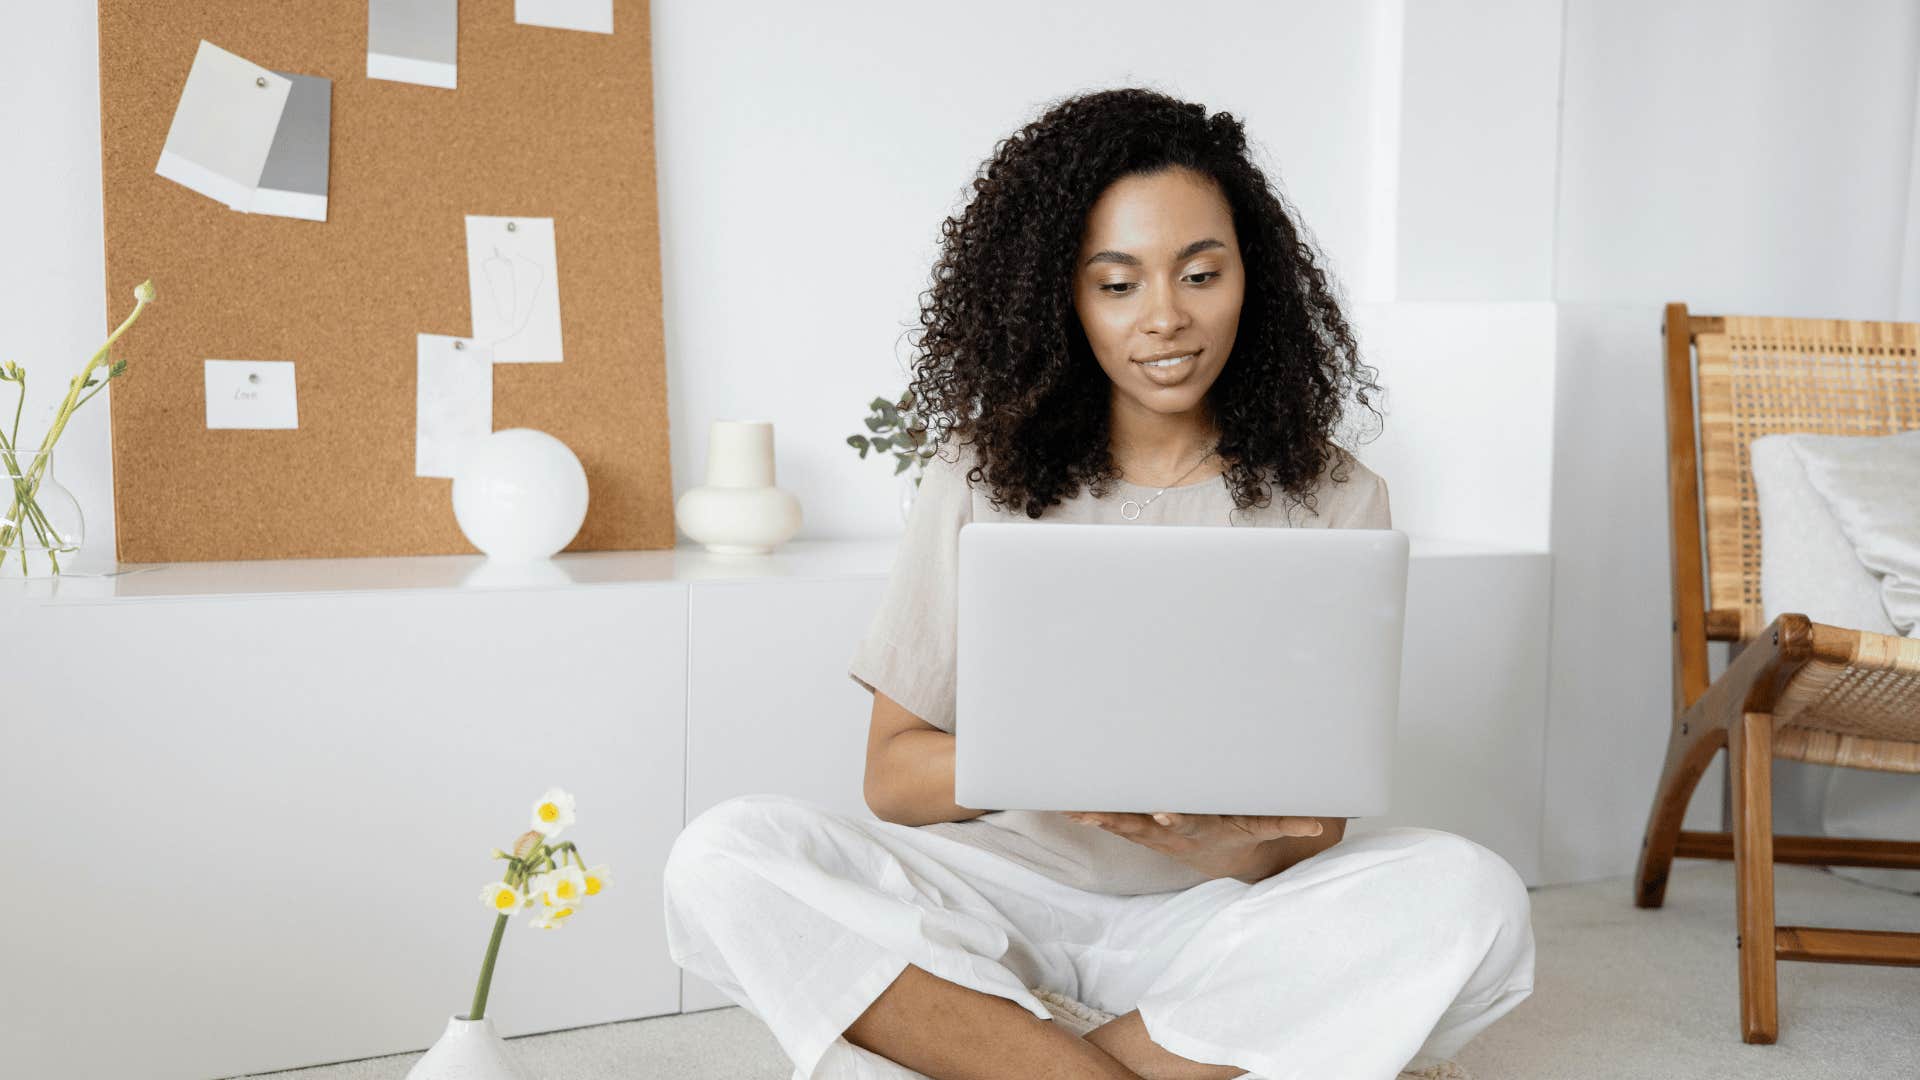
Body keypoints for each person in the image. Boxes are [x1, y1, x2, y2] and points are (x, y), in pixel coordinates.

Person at [663, 87, 1534, 1080]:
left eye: (1200, 274)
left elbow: (1315, 830)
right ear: (1061, 298)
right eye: (1116, 285)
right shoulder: (978, 474)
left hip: (1214, 921)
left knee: (1472, 895)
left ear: (1256, 278)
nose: (1165, 319)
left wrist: (1214, 840)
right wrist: (1054, 762)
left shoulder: (1335, 495)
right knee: (723, 856)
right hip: (996, 908)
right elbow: (893, 779)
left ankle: (1008, 1058)